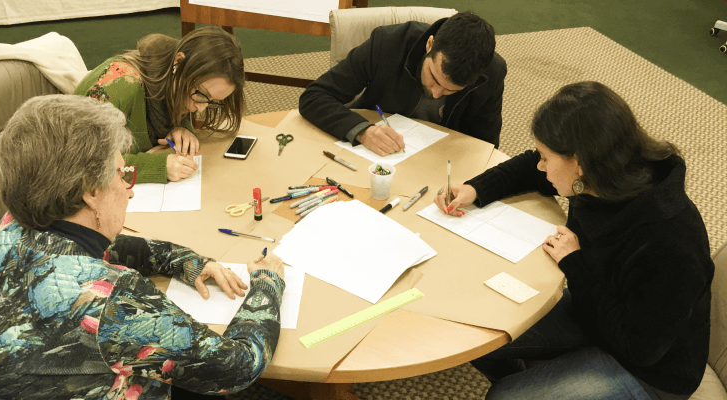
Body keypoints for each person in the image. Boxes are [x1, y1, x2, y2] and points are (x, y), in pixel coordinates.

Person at [0, 95, 285, 400]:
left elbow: (111, 248)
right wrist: (267, 284)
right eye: (122, 175)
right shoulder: (110, 300)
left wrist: (186, 261)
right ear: (91, 191)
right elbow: (237, 367)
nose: (129, 191)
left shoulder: (11, 227)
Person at [436, 82, 713, 400]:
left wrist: (576, 265)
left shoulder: (671, 243)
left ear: (578, 162)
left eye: (546, 157)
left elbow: (641, 349)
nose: (540, 165)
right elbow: (530, 168)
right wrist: (476, 189)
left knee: (504, 396)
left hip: (651, 370)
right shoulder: (599, 174)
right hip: (596, 308)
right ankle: (540, 378)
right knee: (476, 335)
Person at [299, 11, 506, 156]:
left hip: (435, 160)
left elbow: (485, 147)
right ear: (430, 44)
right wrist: (363, 131)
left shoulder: (492, 73)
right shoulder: (388, 43)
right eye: (433, 78)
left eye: (451, 90)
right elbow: (315, 96)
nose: (436, 93)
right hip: (369, 151)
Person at [74, 27, 245, 183]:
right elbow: (85, 163)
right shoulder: (121, 85)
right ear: (178, 63)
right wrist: (157, 166)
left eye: (213, 102)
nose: (201, 108)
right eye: (201, 95)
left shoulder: (177, 80)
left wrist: (180, 126)